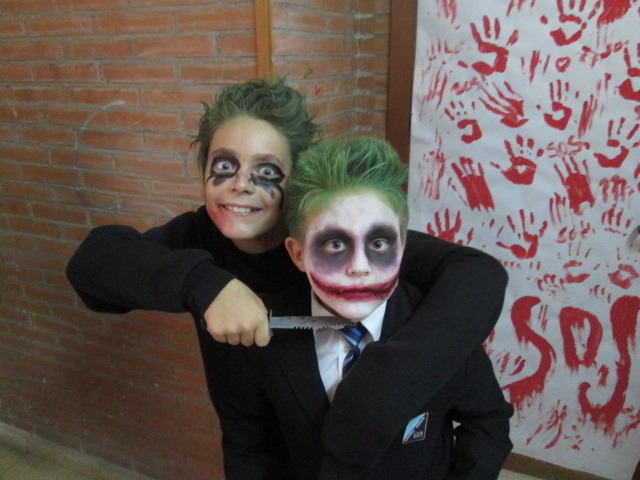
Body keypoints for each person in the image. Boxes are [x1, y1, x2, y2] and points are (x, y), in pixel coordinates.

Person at [65, 78, 509, 477]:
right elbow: (94, 264)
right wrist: (203, 283)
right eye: (224, 166)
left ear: (294, 182)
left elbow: (477, 275)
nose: (241, 184)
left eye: (266, 171)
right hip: (273, 439)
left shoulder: (340, 240)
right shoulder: (199, 236)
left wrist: (385, 386)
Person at [217, 136, 513, 480]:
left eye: (379, 242)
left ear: (402, 247)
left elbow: (488, 420)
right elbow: (246, 443)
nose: (360, 267)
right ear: (298, 254)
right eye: (335, 244)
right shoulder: (265, 333)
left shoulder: (440, 324)